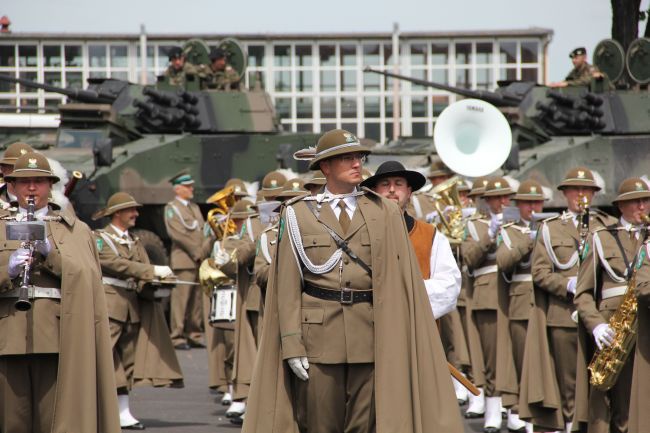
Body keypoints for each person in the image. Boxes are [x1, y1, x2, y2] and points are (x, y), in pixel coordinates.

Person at [242, 129, 463, 433]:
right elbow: (287, 287)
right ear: (325, 167)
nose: (356, 163)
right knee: (320, 425)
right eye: (345, 158)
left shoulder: (384, 212)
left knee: (367, 425)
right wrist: (292, 344)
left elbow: (403, 281)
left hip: (371, 335)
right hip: (318, 338)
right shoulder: (297, 215)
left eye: (358, 156)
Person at [0, 151, 120, 433]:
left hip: (56, 338)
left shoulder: (74, 229)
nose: (32, 188)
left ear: (50, 186)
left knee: (54, 422)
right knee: (10, 423)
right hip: (7, 338)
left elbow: (87, 277)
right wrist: (10, 270)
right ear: (12, 186)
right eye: (24, 181)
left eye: (39, 182)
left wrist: (51, 255)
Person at [532, 166, 616, 433]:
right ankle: (569, 425)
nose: (581, 195)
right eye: (575, 190)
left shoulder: (608, 226)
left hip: (602, 315)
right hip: (564, 313)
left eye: (587, 190)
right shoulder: (550, 229)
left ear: (593, 194)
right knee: (568, 382)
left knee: (602, 379)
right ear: (565, 194)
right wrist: (567, 284)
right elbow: (540, 273)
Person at [93, 192, 184, 429]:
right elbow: (113, 264)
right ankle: (102, 409)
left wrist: (161, 282)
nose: (136, 214)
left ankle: (122, 411)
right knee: (105, 358)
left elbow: (143, 271)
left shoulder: (134, 240)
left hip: (131, 306)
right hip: (109, 305)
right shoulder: (101, 238)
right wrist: (151, 271)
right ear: (116, 214)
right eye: (130, 210)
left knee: (127, 362)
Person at [573, 177, 650, 433]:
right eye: (635, 201)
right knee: (620, 405)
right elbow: (583, 293)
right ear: (621, 206)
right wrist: (596, 326)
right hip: (616, 330)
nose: (642, 206)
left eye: (646, 200)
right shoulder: (601, 237)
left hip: (646, 327)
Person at [462, 177, 525, 433]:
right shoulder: (474, 226)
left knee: (516, 356)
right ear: (486, 201)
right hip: (488, 297)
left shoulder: (519, 225)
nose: (503, 202)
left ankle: (516, 411)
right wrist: (490, 234)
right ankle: (492, 408)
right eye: (497, 198)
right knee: (491, 357)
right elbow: (469, 258)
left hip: (515, 295)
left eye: (506, 197)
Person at [495, 179, 546, 433]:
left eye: (537, 202)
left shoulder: (553, 228)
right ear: (519, 205)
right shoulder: (509, 230)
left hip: (548, 302)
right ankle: (525, 415)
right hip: (521, 304)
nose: (533, 207)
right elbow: (503, 261)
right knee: (524, 363)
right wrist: (528, 241)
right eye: (528, 203)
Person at [164, 170, 213, 350]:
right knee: (181, 300)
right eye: (187, 186)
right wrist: (197, 252)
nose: (191, 189)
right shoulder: (172, 209)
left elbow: (202, 231)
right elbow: (178, 234)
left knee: (196, 301)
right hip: (184, 260)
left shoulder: (193, 207)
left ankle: (193, 334)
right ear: (178, 189)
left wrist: (206, 249)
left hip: (198, 259)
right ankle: (177, 336)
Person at [0, 141, 34, 206]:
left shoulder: (46, 202)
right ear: (2, 169)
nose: (23, 175)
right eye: (17, 170)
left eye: (28, 171)